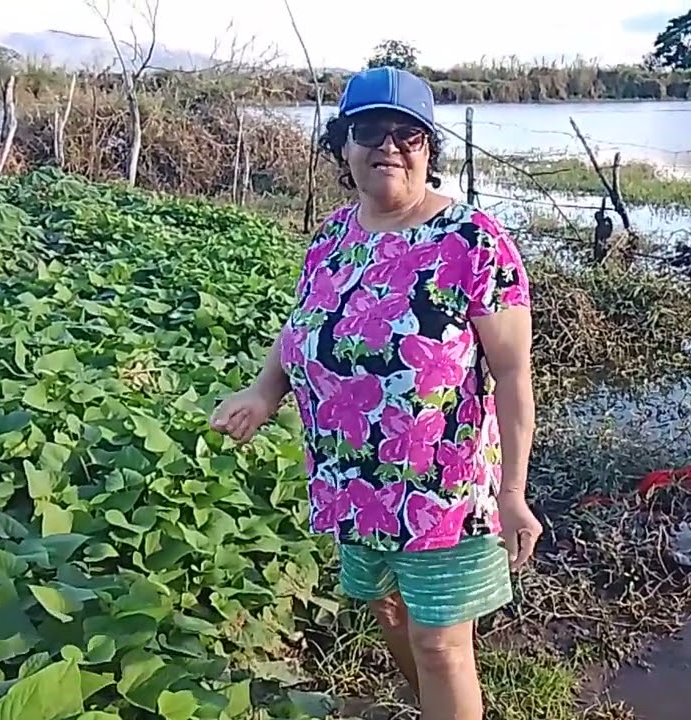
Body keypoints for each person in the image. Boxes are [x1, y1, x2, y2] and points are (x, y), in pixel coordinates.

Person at [209, 66, 541, 720]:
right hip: (351, 480)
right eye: (369, 131)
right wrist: (263, 391)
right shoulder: (334, 237)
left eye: (407, 134)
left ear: (428, 149)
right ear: (344, 146)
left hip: (444, 490)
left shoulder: (473, 242)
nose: (388, 146)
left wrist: (513, 495)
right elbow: (302, 323)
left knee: (441, 644)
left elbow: (512, 373)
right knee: (388, 609)